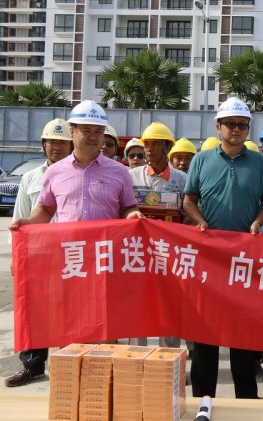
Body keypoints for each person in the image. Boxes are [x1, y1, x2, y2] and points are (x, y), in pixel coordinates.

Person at [183, 97, 263, 399]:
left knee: (243, 334)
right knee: (205, 334)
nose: (236, 129)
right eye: (231, 124)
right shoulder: (201, 160)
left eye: (242, 125)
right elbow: (189, 200)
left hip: (244, 260)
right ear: (218, 126)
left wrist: (258, 222)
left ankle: (247, 400)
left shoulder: (258, 162)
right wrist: (200, 221)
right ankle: (203, 399)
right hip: (209, 258)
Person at [4, 118, 74, 388]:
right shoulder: (30, 178)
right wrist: (17, 257)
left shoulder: (78, 175)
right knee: (34, 311)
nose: (56, 147)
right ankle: (32, 366)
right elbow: (20, 218)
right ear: (43, 145)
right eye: (51, 142)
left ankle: (70, 364)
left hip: (71, 254)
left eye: (62, 143)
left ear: (71, 145)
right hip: (37, 255)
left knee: (70, 309)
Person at [9, 101, 141, 228]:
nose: (93, 137)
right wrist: (29, 222)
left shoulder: (120, 172)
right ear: (72, 132)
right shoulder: (54, 172)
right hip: (69, 243)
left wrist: (132, 214)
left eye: (98, 131)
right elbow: (46, 210)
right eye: (86, 131)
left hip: (104, 243)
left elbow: (128, 208)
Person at [128, 122, 187, 348]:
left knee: (169, 306)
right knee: (138, 305)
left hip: (170, 254)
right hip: (138, 252)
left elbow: (188, 212)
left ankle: (169, 357)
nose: (149, 149)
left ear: (167, 147)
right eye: (147, 144)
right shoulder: (131, 176)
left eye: (155, 144)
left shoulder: (181, 180)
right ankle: (136, 357)